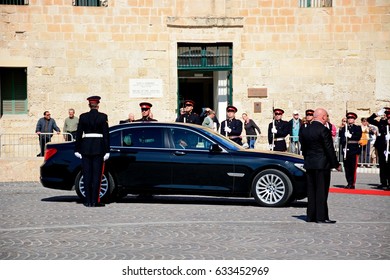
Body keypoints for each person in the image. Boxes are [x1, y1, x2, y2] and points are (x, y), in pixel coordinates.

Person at [299, 108, 341, 224]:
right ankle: (321, 217)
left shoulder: (305, 130)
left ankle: (311, 216)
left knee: (311, 191)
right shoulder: (324, 130)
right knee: (321, 191)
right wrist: (336, 164)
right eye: (326, 116)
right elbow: (329, 149)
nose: (326, 118)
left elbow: (304, 148)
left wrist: (308, 160)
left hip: (310, 164)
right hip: (322, 165)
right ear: (323, 117)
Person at [74, 96, 110, 207]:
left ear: (89, 105)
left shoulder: (83, 117)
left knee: (87, 175)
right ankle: (95, 201)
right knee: (97, 176)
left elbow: (79, 134)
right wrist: (107, 151)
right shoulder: (103, 117)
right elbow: (106, 136)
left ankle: (87, 201)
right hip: (98, 148)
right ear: (98, 105)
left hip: (86, 148)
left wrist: (77, 149)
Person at [367, 108, 390, 189]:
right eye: (388, 118)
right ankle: (383, 183)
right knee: (383, 165)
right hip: (382, 147)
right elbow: (369, 120)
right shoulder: (382, 123)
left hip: (389, 148)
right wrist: (376, 114)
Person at [339, 112, 362, 189]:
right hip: (346, 150)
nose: (350, 120)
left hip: (354, 149)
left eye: (351, 118)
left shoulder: (357, 128)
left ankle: (352, 183)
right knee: (347, 167)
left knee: (353, 168)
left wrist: (350, 136)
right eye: (348, 118)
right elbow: (341, 139)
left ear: (354, 119)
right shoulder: (343, 128)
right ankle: (348, 182)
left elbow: (358, 137)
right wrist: (344, 139)